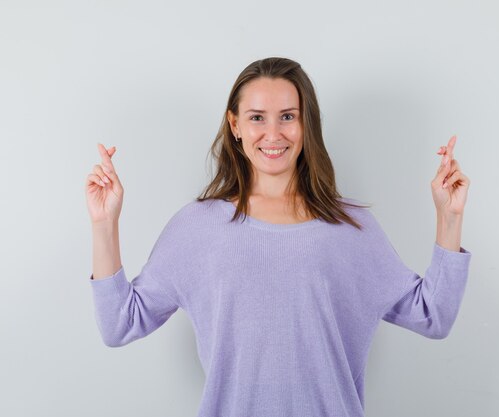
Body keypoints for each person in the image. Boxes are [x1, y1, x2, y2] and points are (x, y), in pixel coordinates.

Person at [85, 57, 472, 417]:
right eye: (257, 117)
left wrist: (448, 215)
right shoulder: (197, 227)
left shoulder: (350, 226)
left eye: (288, 116)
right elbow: (120, 324)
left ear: (307, 125)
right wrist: (105, 224)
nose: (273, 134)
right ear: (235, 125)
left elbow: (432, 316)